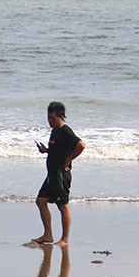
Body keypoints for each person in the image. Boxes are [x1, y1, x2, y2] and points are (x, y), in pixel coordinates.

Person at [33, 102, 86, 246]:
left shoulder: (65, 130)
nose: (50, 121)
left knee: (63, 206)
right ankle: (48, 235)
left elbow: (81, 145)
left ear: (60, 116)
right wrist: (46, 151)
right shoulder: (55, 130)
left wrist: (68, 159)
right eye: (48, 118)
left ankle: (65, 239)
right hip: (51, 175)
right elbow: (58, 150)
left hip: (61, 175)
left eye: (52, 118)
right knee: (41, 201)